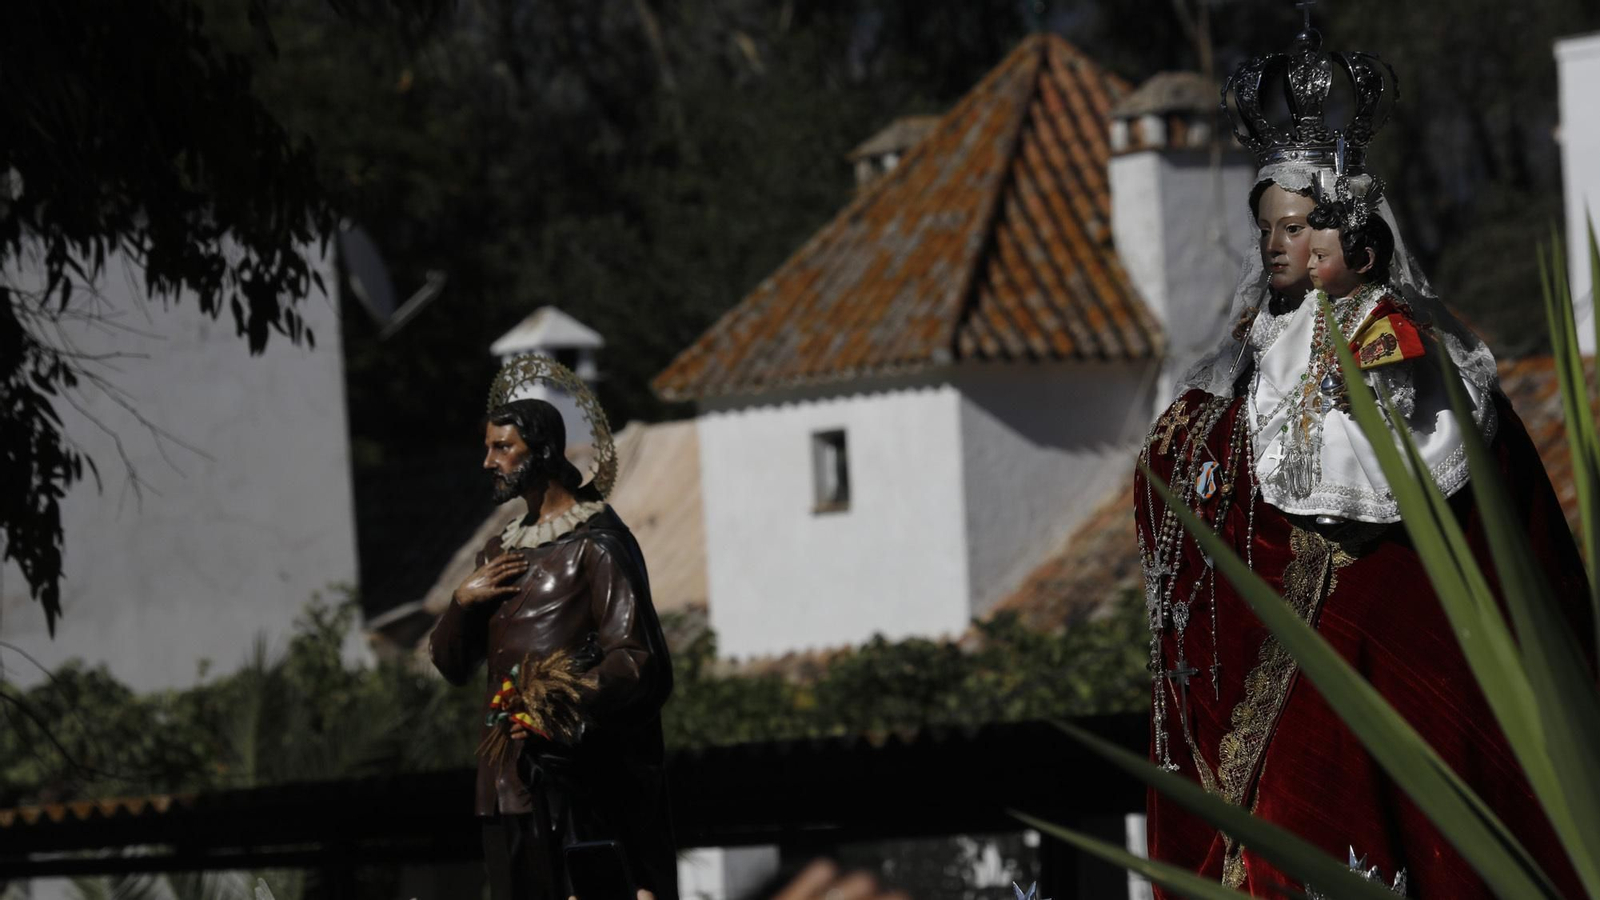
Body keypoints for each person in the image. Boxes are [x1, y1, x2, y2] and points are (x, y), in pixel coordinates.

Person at [1134, 25, 1592, 897]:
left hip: (1393, 685)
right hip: (1288, 704)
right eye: (1268, 227)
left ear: (1359, 240)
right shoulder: (1241, 378)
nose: (1278, 247)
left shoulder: (1416, 357)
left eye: (1300, 226)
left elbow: (1395, 487)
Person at [430, 385, 677, 900]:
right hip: (505, 781)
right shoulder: (499, 553)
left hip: (579, 776)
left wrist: (556, 697)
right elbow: (453, 665)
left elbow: (637, 660)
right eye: (488, 447)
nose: (488, 462)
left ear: (540, 450)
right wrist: (461, 600)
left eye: (503, 448)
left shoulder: (597, 545)